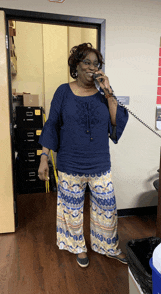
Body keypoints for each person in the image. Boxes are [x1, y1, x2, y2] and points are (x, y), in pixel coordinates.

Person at [38, 43, 129, 268]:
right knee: (72, 210)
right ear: (76, 66)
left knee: (106, 208)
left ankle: (108, 246)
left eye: (95, 64)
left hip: (99, 163)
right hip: (69, 164)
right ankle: (78, 247)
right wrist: (43, 156)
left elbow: (117, 122)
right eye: (86, 62)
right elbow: (51, 124)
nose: (91, 67)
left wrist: (108, 91)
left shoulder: (102, 95)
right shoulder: (63, 91)